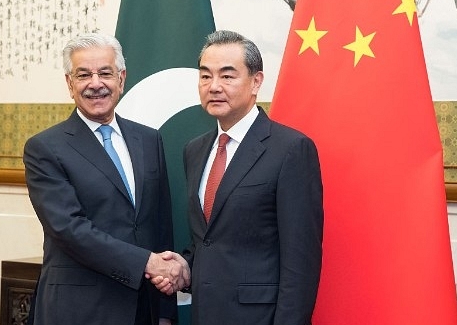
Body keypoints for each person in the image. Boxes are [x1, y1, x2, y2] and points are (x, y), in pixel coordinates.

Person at [153, 30, 324, 324]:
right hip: (205, 314)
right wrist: (184, 269)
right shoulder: (194, 151)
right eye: (205, 76)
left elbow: (301, 261)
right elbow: (210, 241)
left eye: (227, 76)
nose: (214, 86)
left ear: (256, 81)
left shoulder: (291, 149)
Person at [23, 33, 189, 325]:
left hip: (143, 307)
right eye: (83, 74)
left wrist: (165, 311)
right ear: (69, 83)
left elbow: (160, 223)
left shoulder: (148, 140)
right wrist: (146, 263)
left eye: (105, 73)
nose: (95, 83)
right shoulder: (45, 148)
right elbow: (69, 229)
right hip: (79, 310)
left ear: (121, 79)